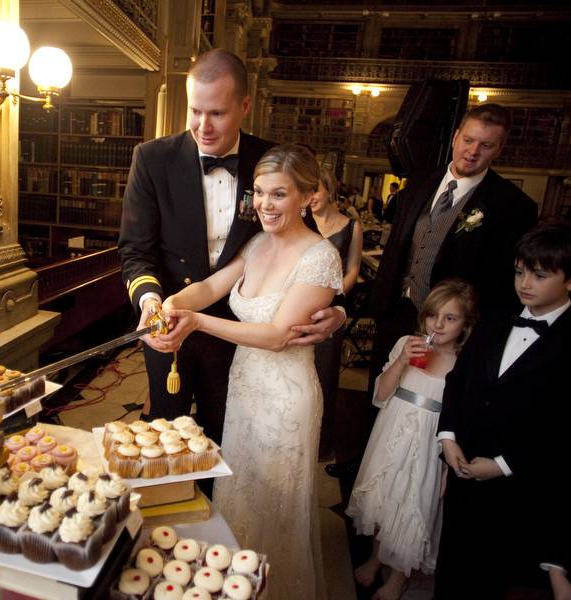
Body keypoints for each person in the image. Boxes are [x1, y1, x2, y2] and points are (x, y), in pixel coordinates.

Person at [118, 49, 344, 444]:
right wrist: (152, 302)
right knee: (165, 436)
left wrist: (339, 310)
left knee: (224, 437)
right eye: (195, 111)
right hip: (170, 320)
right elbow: (136, 250)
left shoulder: (273, 162)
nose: (202, 126)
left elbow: (310, 251)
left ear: (244, 106)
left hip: (242, 331)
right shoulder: (152, 159)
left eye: (217, 113)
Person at [156, 144, 343, 599]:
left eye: (278, 195)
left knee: (275, 509)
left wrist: (197, 322)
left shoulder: (320, 257)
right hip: (244, 391)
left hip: (286, 400)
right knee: (240, 497)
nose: (264, 204)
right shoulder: (256, 242)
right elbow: (212, 285)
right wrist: (173, 304)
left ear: (307, 196)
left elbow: (279, 334)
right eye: (258, 193)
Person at [434, 219, 571, 599]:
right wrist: (447, 437)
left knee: (492, 578)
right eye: (519, 272)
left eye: (539, 275)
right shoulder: (493, 320)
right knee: (450, 573)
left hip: (520, 487)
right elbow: (457, 382)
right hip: (463, 467)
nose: (524, 284)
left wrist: (503, 464)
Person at [370, 103, 538, 389]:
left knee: (433, 404)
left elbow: (502, 284)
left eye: (486, 145)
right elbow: (397, 249)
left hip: (454, 332)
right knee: (383, 394)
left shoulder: (513, 205)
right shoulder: (420, 182)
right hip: (398, 312)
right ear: (455, 136)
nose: (472, 152)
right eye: (468, 140)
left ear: (499, 149)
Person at [346, 279, 478, 600]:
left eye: (451, 318)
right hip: (392, 430)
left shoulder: (464, 363)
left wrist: (449, 466)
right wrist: (402, 360)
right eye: (434, 315)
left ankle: (399, 577)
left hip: (430, 441)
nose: (439, 324)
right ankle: (377, 556)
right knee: (384, 496)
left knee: (413, 502)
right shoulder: (407, 343)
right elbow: (381, 395)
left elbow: (462, 420)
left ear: (465, 325)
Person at [309, 163, 363, 460]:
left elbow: (353, 269)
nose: (310, 197)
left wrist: (330, 296)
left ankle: (320, 445)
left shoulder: (351, 226)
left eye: (314, 190)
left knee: (324, 378)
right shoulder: (300, 222)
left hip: (331, 310)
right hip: (298, 309)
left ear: (329, 189)